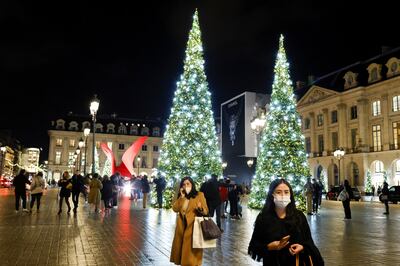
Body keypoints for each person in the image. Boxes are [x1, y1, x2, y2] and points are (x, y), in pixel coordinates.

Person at [248, 178, 324, 266]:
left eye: (286, 192)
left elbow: (309, 242)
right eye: (279, 192)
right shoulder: (264, 218)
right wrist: (269, 247)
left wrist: (302, 247)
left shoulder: (298, 217)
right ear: (272, 194)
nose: (283, 195)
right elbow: (253, 247)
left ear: (290, 194)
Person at [170, 176, 208, 266]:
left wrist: (200, 208)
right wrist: (182, 197)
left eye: (188, 184)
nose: (186, 186)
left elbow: (206, 211)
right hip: (181, 227)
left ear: (192, 184)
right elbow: (175, 209)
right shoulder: (182, 196)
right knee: (182, 252)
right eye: (184, 184)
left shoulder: (199, 195)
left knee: (191, 255)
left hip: (194, 227)